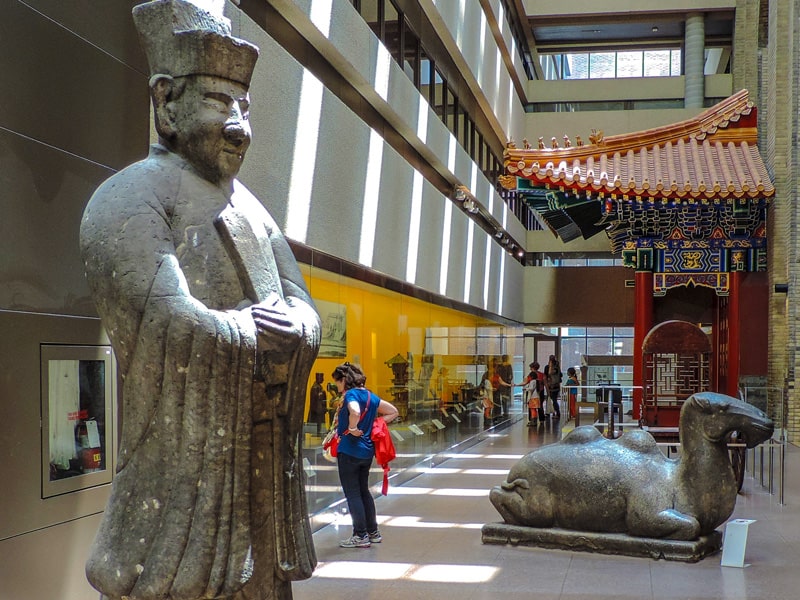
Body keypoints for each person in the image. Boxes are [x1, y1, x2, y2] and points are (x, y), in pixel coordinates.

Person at [80, 2, 321, 598]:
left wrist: (298, 328)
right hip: (187, 479)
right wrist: (252, 334)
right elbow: (162, 317)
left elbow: (301, 304)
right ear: (165, 102)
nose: (239, 125)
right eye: (218, 103)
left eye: (244, 107)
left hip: (260, 465)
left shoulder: (256, 212)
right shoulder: (129, 198)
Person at [331, 362, 399, 548]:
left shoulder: (351, 395)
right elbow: (393, 411)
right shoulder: (370, 395)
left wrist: (353, 427)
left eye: (337, 383)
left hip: (349, 451)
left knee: (352, 493)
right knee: (363, 491)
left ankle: (360, 535)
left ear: (344, 380)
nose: (337, 387)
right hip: (366, 452)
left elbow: (354, 410)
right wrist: (373, 424)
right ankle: (373, 531)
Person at [544, 355, 562, 420]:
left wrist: (551, 365)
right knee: (550, 399)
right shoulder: (549, 367)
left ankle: (557, 412)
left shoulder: (556, 368)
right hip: (552, 386)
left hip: (554, 386)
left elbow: (550, 373)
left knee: (554, 400)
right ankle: (551, 412)